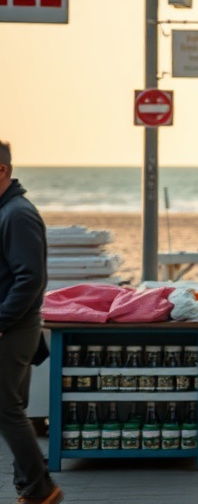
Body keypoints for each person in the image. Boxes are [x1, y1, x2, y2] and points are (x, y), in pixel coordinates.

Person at [0, 141, 63, 504]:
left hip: (14, 328)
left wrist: (2, 320)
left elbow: (31, 278)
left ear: (2, 170)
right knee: (11, 409)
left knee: (5, 408)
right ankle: (31, 487)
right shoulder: (5, 211)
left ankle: (41, 488)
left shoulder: (17, 214)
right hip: (13, 325)